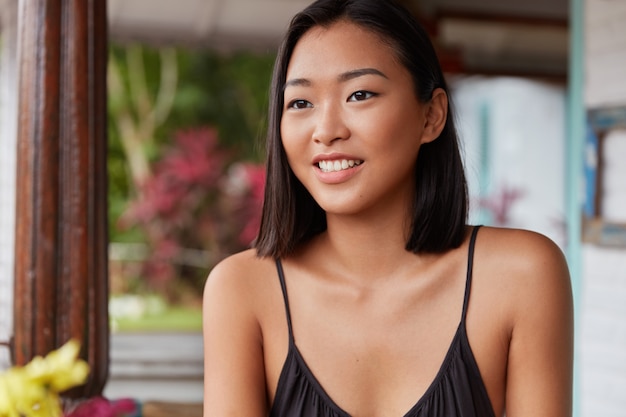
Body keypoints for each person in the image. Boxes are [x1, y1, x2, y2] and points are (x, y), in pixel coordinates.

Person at [202, 0, 574, 415]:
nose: (326, 131)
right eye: (301, 103)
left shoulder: (521, 274)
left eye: (359, 94)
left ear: (431, 116)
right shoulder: (242, 289)